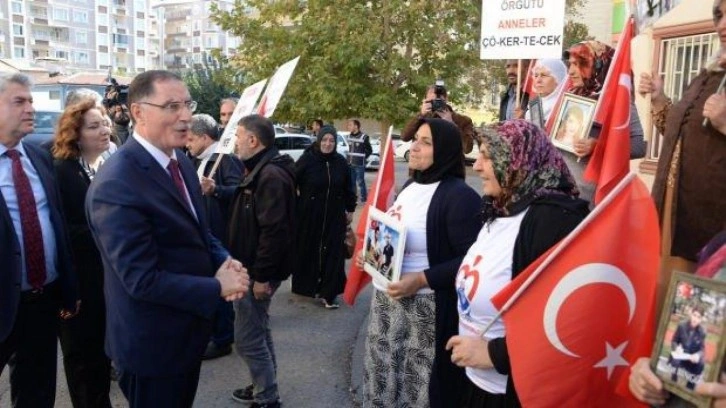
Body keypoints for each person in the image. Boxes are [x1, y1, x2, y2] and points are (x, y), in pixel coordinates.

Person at [85, 70, 250, 407]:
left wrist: (224, 260)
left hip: (184, 336)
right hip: (152, 347)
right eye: (172, 106)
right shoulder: (118, 182)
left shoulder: (181, 164)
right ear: (138, 112)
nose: (186, 116)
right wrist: (218, 287)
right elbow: (141, 280)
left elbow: (197, 231)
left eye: (187, 104)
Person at [445, 119, 589, 407]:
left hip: (514, 394)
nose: (476, 166)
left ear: (518, 160)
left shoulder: (554, 223)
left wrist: (495, 354)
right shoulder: (501, 208)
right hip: (477, 384)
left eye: (488, 156)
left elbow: (569, 320)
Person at [628, 1, 726, 405]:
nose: (723, 26)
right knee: (673, 318)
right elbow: (677, 132)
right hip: (674, 211)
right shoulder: (709, 74)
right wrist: (659, 97)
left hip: (715, 230)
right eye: (721, 16)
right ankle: (672, 384)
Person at [356, 118, 481, 408]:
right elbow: (395, 239)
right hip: (387, 304)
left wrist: (423, 279)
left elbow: (472, 261)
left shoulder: (459, 197)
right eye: (416, 140)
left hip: (426, 310)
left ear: (446, 151)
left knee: (417, 385)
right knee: (382, 375)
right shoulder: (411, 186)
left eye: (426, 142)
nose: (415, 146)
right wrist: (370, 255)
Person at [0, 72, 80, 406]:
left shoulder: (40, 157)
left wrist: (68, 288)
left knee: (36, 391)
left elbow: (57, 224)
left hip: (40, 302)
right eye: (19, 101)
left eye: (31, 101)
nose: (30, 108)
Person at [227, 114, 296, 408]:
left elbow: (274, 232)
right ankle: (263, 386)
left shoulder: (270, 176)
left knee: (247, 339)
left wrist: (261, 277)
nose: (235, 142)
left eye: (238, 136)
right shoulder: (261, 169)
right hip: (250, 268)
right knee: (258, 329)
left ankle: (267, 398)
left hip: (256, 271)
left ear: (253, 140)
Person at [52, 99, 113, 408]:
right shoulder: (62, 170)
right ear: (74, 134)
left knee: (99, 359)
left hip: (98, 283)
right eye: (94, 126)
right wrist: (108, 228)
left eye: (105, 123)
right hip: (77, 288)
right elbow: (63, 230)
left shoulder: (95, 167)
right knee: (84, 363)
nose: (104, 130)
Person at [186, 113, 244, 360]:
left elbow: (240, 193)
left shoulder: (226, 160)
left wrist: (216, 189)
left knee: (221, 287)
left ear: (204, 137)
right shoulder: (193, 159)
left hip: (220, 235)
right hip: (200, 233)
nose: (186, 143)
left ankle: (222, 339)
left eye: (190, 139)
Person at [562, 41, 646, 204]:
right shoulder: (571, 95)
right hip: (567, 193)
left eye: (579, 65)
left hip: (594, 200)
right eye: (570, 65)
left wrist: (598, 146)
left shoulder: (619, 101)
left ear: (598, 65)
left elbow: (639, 146)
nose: (571, 71)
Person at [292, 125, 356, 309]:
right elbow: (291, 182)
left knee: (333, 253)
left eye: (332, 140)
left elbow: (348, 187)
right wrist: (298, 204)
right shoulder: (307, 160)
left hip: (334, 215)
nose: (328, 144)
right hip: (309, 215)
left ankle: (329, 293)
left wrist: (350, 208)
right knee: (308, 250)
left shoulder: (341, 162)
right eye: (325, 140)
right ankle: (306, 286)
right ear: (319, 141)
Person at [400, 83, 476, 155]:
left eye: (438, 101)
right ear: (426, 100)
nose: (435, 104)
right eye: (431, 101)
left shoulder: (463, 121)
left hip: (448, 167)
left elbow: (467, 149)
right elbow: (404, 137)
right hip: (422, 167)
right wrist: (420, 115)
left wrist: (451, 124)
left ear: (446, 99)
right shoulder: (422, 119)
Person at [668, 306, 706, 390]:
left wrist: (698, 355)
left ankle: (689, 388)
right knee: (675, 360)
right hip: (680, 356)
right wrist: (676, 348)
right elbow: (674, 341)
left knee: (701, 364)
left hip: (691, 359)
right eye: (694, 315)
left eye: (698, 317)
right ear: (691, 314)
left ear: (701, 319)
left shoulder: (702, 332)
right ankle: (672, 384)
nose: (695, 319)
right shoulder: (682, 325)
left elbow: (702, 349)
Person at [525, 58, 569, 127]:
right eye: (536, 75)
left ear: (559, 79)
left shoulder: (565, 107)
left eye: (544, 75)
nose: (538, 80)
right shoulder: (534, 106)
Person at [346, 119, 372, 203]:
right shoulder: (349, 136)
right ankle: (353, 199)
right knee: (352, 183)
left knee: (360, 182)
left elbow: (369, 150)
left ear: (356, 126)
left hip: (359, 164)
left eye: (350, 125)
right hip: (350, 163)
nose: (348, 127)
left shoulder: (364, 137)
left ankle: (364, 199)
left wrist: (363, 157)